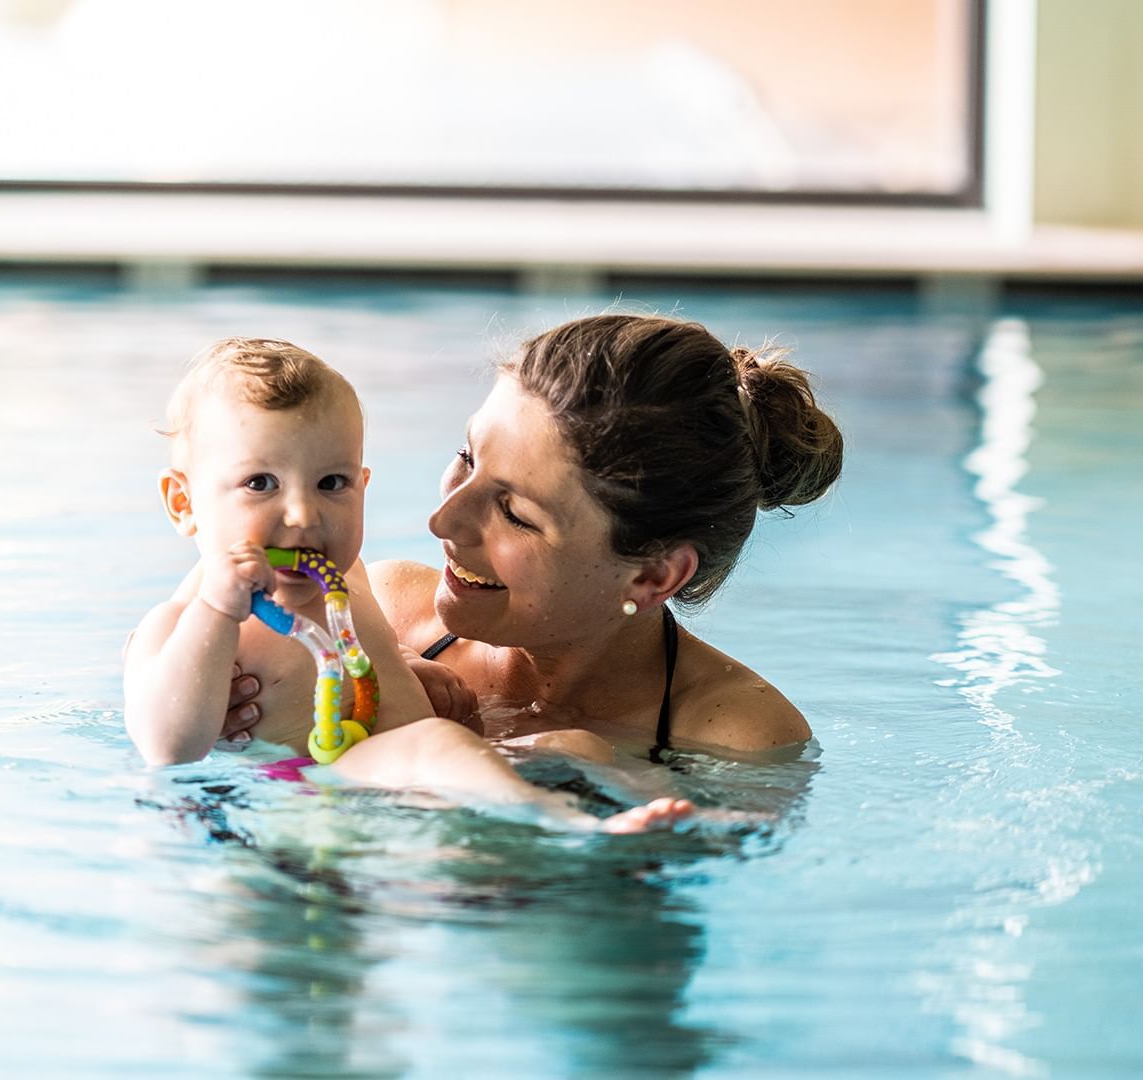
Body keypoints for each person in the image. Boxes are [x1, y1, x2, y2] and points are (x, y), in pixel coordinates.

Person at [219, 314, 844, 768]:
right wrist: (226, 709)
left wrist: (582, 781)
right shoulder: (374, 617)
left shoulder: (739, 738)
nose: (444, 520)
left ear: (653, 576)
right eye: (467, 456)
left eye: (515, 512)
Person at [123, 336, 694, 831]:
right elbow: (167, 747)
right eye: (260, 483)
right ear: (184, 502)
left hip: (402, 779)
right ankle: (567, 824)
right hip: (307, 790)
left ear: (363, 485)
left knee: (575, 746)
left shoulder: (347, 579)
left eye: (331, 482)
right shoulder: (184, 625)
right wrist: (214, 617)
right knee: (435, 747)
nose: (303, 513)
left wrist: (405, 665)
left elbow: (353, 654)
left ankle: (681, 815)